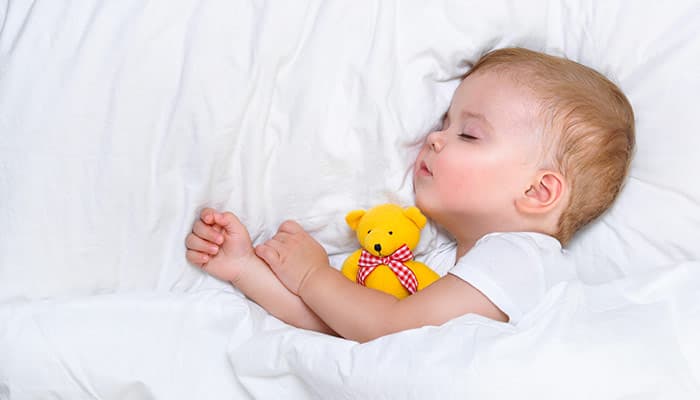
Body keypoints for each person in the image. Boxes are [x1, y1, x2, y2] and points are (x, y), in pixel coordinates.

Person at [185, 47, 635, 343]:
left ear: (538, 191)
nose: (436, 138)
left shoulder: (522, 258)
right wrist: (245, 269)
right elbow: (345, 328)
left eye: (470, 134)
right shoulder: (439, 268)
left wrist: (313, 276)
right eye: (444, 122)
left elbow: (389, 329)